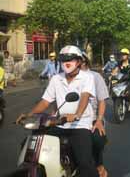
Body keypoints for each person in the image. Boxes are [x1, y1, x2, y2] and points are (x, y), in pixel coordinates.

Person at [16, 45, 99, 177]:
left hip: (80, 125)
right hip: (59, 123)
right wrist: (29, 115)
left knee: (85, 163)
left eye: (70, 59)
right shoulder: (56, 79)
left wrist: (77, 114)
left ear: (78, 62)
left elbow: (84, 97)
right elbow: (45, 102)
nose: (66, 62)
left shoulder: (87, 77)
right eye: (63, 59)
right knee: (29, 142)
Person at [81, 51, 109, 177]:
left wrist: (99, 120)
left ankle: (99, 164)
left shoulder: (95, 77)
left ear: (85, 61)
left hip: (91, 119)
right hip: (70, 120)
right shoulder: (65, 77)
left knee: (97, 139)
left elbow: (102, 100)